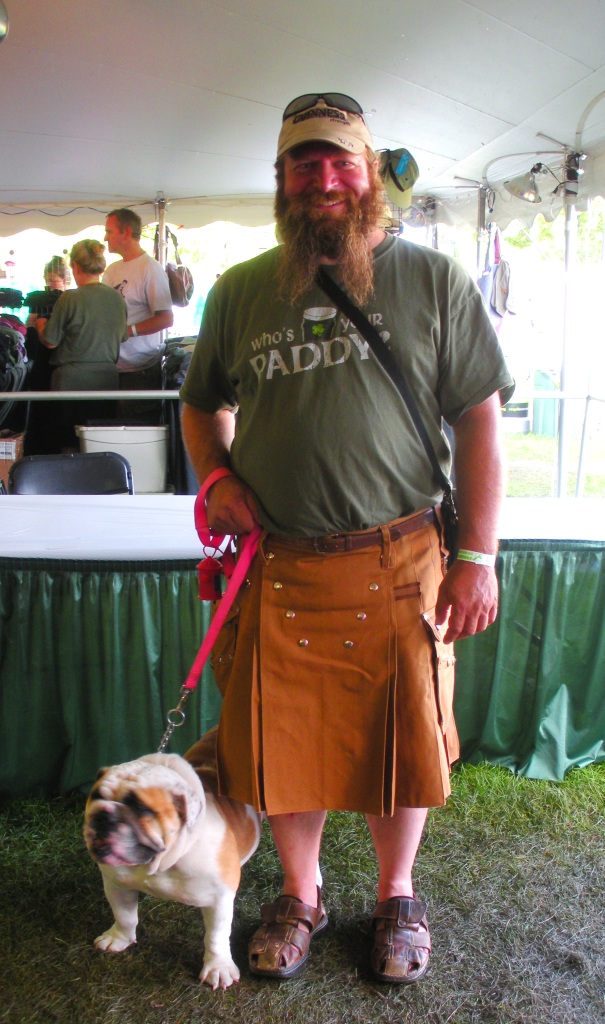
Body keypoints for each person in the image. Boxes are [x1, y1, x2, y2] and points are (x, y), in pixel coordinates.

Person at [179, 93, 514, 985]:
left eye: (339, 161)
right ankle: (301, 892)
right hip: (280, 567)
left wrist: (476, 555)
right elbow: (199, 403)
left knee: (401, 742)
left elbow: (480, 422)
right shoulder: (241, 289)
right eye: (302, 164)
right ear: (281, 180)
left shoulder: (434, 280)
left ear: (368, 174)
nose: (321, 179)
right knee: (285, 749)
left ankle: (397, 893)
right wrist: (217, 476)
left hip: (404, 560)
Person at [35, 240, 127, 451]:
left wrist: (41, 326)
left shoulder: (70, 298)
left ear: (75, 266)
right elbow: (122, 336)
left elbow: (50, 341)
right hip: (107, 381)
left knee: (69, 442)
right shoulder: (117, 298)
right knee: (99, 443)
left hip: (71, 383)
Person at [102, 208, 173, 423]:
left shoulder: (150, 269)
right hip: (110, 366)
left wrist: (128, 331)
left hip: (139, 369)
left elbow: (166, 318)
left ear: (126, 232)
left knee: (134, 430)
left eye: (109, 231)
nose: (105, 238)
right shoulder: (112, 269)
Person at [23, 255, 69, 454]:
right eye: (48, 280)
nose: (50, 285)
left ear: (64, 279)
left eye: (54, 280)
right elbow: (29, 325)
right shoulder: (38, 299)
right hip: (42, 362)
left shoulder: (68, 300)